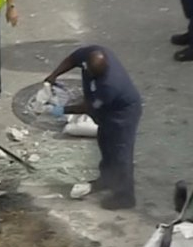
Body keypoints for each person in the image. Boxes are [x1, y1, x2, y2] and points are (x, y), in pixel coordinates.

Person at [44, 45, 143, 210]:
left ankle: (125, 196)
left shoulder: (109, 85)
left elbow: (89, 107)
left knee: (120, 152)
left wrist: (62, 110)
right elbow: (71, 59)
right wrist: (53, 76)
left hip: (122, 116)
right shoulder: (92, 53)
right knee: (105, 143)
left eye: (93, 74)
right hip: (106, 113)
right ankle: (107, 179)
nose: (88, 74)